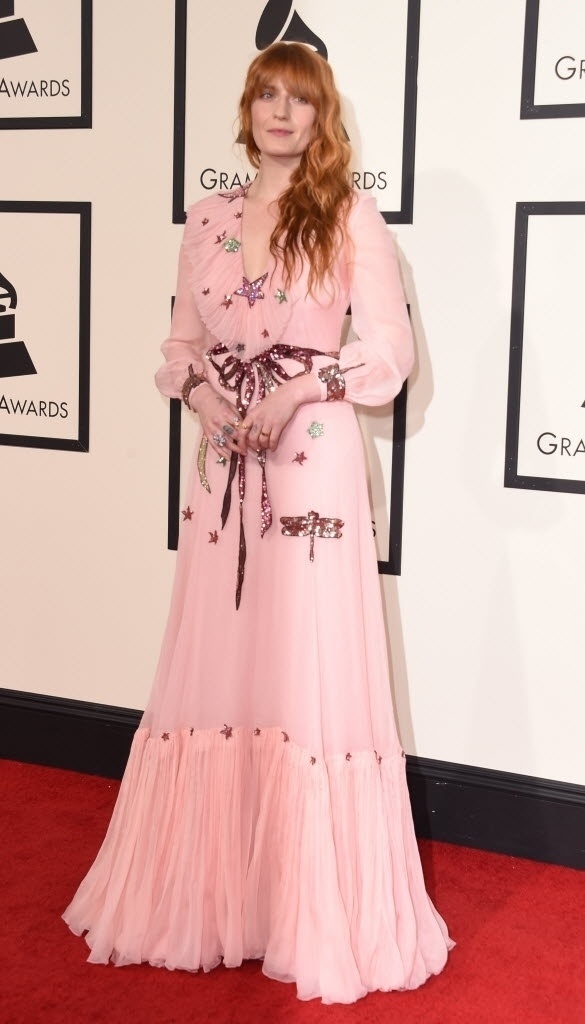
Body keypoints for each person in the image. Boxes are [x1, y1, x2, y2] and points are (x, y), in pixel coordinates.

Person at [63, 41, 452, 1004]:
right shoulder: (205, 219)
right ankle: (215, 898)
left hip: (312, 463)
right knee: (221, 661)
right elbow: (180, 343)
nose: (281, 112)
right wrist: (204, 398)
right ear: (248, 110)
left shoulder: (348, 214)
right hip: (224, 467)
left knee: (306, 663)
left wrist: (301, 389)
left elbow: (389, 346)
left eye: (300, 99)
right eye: (266, 96)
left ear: (323, 118)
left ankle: (308, 904)